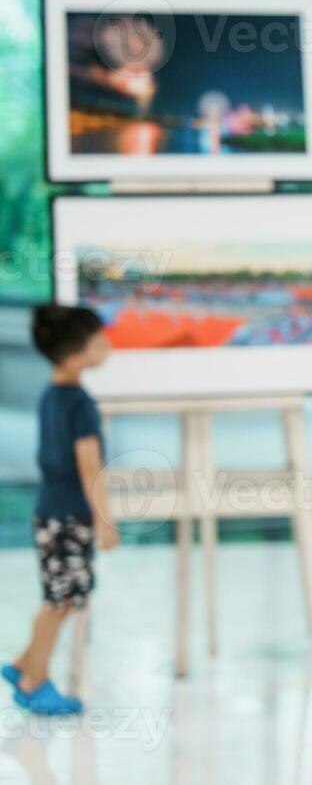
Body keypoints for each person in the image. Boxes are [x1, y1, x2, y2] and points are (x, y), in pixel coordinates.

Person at [5, 306, 116, 716]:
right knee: (59, 601)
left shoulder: (52, 395)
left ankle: (22, 664)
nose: (108, 346)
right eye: (99, 341)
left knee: (62, 596)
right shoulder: (81, 405)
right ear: (75, 356)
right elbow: (90, 467)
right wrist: (105, 521)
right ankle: (35, 679)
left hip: (49, 512)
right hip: (70, 516)